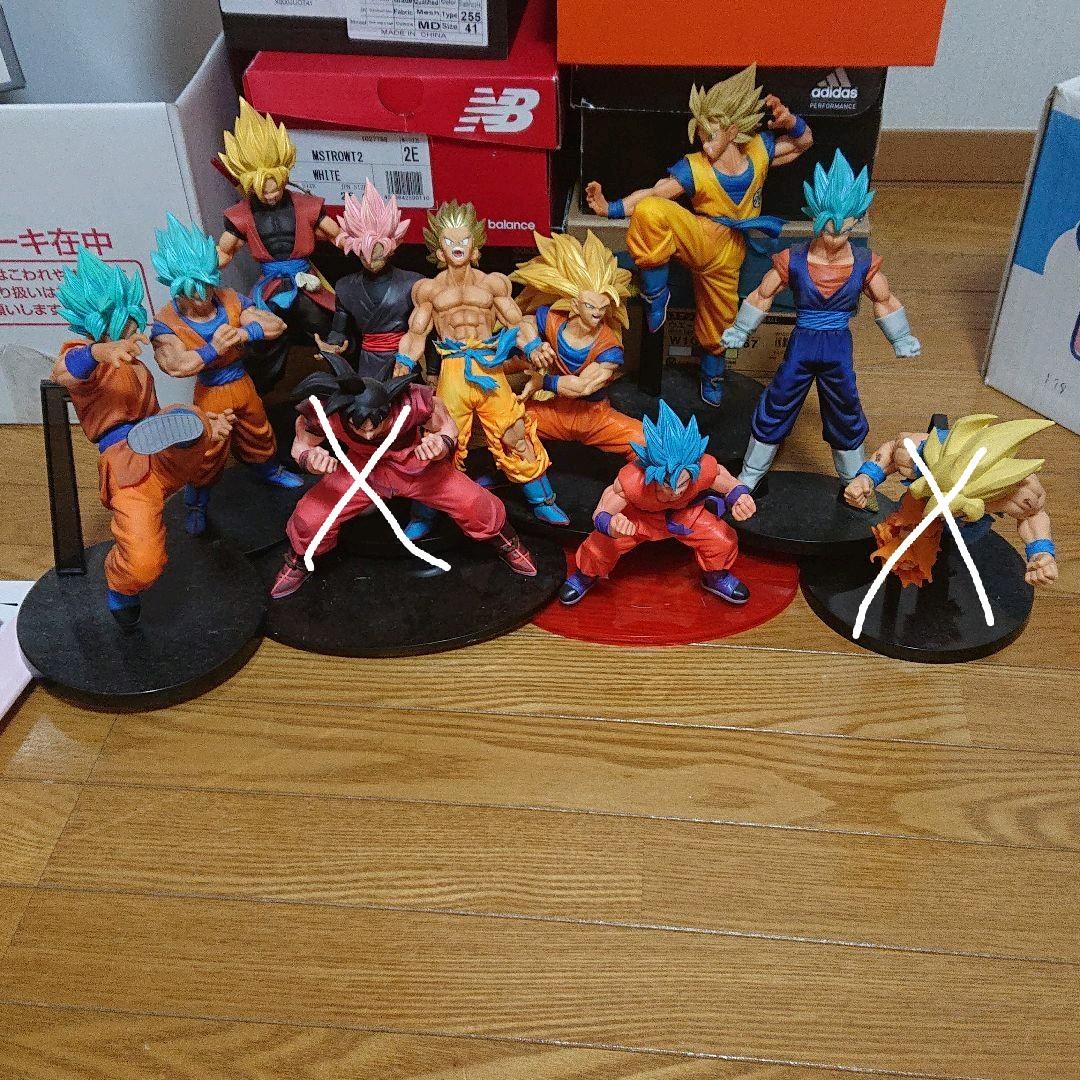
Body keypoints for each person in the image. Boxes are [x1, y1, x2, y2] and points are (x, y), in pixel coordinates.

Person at [585, 65, 812, 405]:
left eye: (711, 135)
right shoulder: (695, 167)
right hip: (699, 236)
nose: (704, 144)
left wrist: (790, 121)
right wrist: (611, 208)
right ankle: (655, 294)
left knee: (719, 323)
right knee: (651, 211)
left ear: (733, 130)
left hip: (730, 252)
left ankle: (712, 375)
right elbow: (654, 193)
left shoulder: (759, 151)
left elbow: (802, 144)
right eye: (702, 136)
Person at [52, 249, 234, 628]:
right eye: (125, 324)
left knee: (196, 424)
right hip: (126, 465)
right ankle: (122, 589)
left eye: (134, 320)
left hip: (161, 450)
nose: (134, 332)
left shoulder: (135, 366)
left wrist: (205, 427)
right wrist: (99, 352)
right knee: (144, 562)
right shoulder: (88, 360)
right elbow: (63, 373)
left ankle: (195, 439)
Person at [270, 358, 537, 598]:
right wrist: (310, 459)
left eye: (377, 423)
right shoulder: (325, 412)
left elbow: (447, 427)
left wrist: (440, 445)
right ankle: (300, 558)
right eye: (358, 425)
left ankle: (505, 540)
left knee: (473, 502)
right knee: (311, 516)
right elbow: (301, 446)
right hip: (361, 470)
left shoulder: (414, 403)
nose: (368, 433)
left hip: (414, 465)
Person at [394, 201, 568, 535]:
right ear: (438, 249)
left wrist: (533, 346)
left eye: (463, 240)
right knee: (438, 441)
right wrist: (403, 365)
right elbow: (416, 334)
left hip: (489, 367)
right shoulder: (428, 290)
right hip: (452, 369)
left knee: (515, 433)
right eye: (449, 241)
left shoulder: (493, 285)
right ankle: (424, 514)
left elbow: (516, 322)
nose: (457, 246)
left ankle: (543, 500)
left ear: (475, 245)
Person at [149, 215, 302, 535]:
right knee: (208, 449)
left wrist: (245, 333)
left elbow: (276, 325)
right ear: (177, 286)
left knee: (259, 431)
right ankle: (196, 501)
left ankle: (269, 471)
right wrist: (212, 349)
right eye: (195, 289)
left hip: (241, 381)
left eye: (208, 283)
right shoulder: (167, 322)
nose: (204, 294)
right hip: (210, 392)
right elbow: (176, 365)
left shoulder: (228, 299)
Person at [560, 400, 756, 606]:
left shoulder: (703, 468)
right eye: (668, 484)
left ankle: (715, 576)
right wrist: (612, 526)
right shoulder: (631, 482)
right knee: (598, 546)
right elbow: (601, 513)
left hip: (687, 515)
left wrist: (740, 497)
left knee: (723, 539)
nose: (676, 491)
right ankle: (586, 575)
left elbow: (729, 483)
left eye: (683, 483)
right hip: (638, 519)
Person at [843, 413, 1058, 587]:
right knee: (901, 557)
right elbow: (891, 451)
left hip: (967, 528)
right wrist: (866, 477)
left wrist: (1041, 553)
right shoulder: (919, 453)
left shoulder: (1020, 490)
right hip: (920, 510)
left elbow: (1034, 516)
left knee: (948, 560)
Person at [215, 99, 341, 392]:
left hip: (306, 279)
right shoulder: (242, 215)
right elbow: (225, 251)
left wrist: (360, 241)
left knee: (328, 324)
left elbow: (336, 234)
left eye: (276, 188)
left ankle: (343, 378)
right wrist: (200, 270)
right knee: (261, 336)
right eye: (264, 191)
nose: (271, 196)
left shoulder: (305, 205)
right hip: (270, 285)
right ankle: (262, 390)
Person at [510, 231, 644, 459]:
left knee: (646, 443)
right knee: (507, 426)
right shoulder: (552, 320)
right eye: (590, 306)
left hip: (594, 417)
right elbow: (522, 323)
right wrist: (533, 347)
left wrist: (543, 382)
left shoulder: (609, 347)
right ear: (575, 305)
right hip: (554, 411)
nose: (597, 313)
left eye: (603, 307)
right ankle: (535, 477)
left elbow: (583, 387)